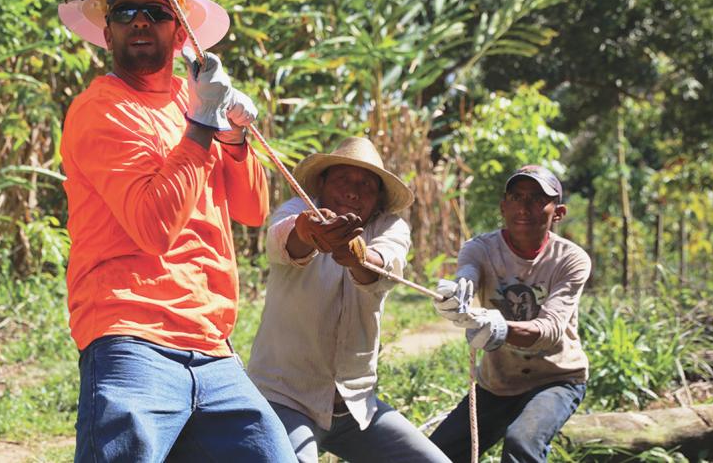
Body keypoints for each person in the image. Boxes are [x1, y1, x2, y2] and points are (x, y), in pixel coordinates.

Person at [58, 0, 296, 461]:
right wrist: (204, 121)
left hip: (212, 344)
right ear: (108, 34)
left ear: (182, 33)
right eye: (125, 13)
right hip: (130, 335)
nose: (140, 22)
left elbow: (251, 209)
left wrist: (232, 133)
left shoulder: (191, 103)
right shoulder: (101, 109)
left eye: (158, 12)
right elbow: (154, 227)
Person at [247, 137, 452, 462]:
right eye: (343, 179)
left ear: (379, 199)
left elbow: (383, 267)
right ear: (323, 182)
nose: (354, 191)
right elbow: (283, 239)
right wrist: (309, 231)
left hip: (355, 406)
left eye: (366, 185)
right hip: (285, 396)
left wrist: (356, 255)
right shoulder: (297, 211)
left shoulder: (390, 227)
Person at [428, 165, 591, 463]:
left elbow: (550, 330)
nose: (524, 207)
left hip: (556, 378)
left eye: (537, 198)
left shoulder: (571, 260)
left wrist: (499, 327)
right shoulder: (480, 249)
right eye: (516, 197)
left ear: (559, 212)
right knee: (433, 454)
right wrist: (459, 291)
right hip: (498, 383)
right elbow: (468, 272)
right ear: (504, 206)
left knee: (521, 443)